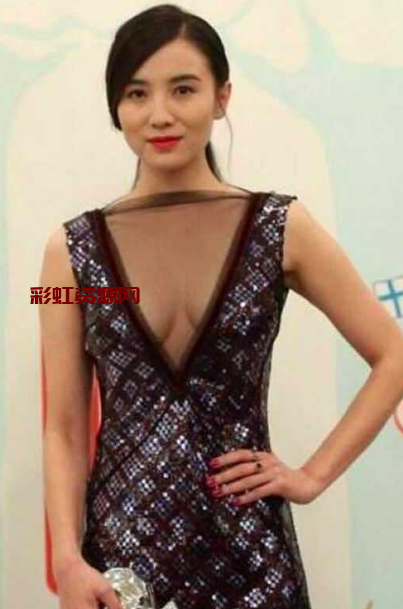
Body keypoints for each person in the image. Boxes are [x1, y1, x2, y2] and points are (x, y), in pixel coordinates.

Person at [38, 4, 403, 609]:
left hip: (252, 558)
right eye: (136, 93)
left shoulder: (280, 227)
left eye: (183, 89)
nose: (160, 114)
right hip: (121, 566)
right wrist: (66, 562)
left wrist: (311, 476)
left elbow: (394, 354)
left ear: (221, 96)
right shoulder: (71, 254)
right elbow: (64, 427)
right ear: (116, 108)